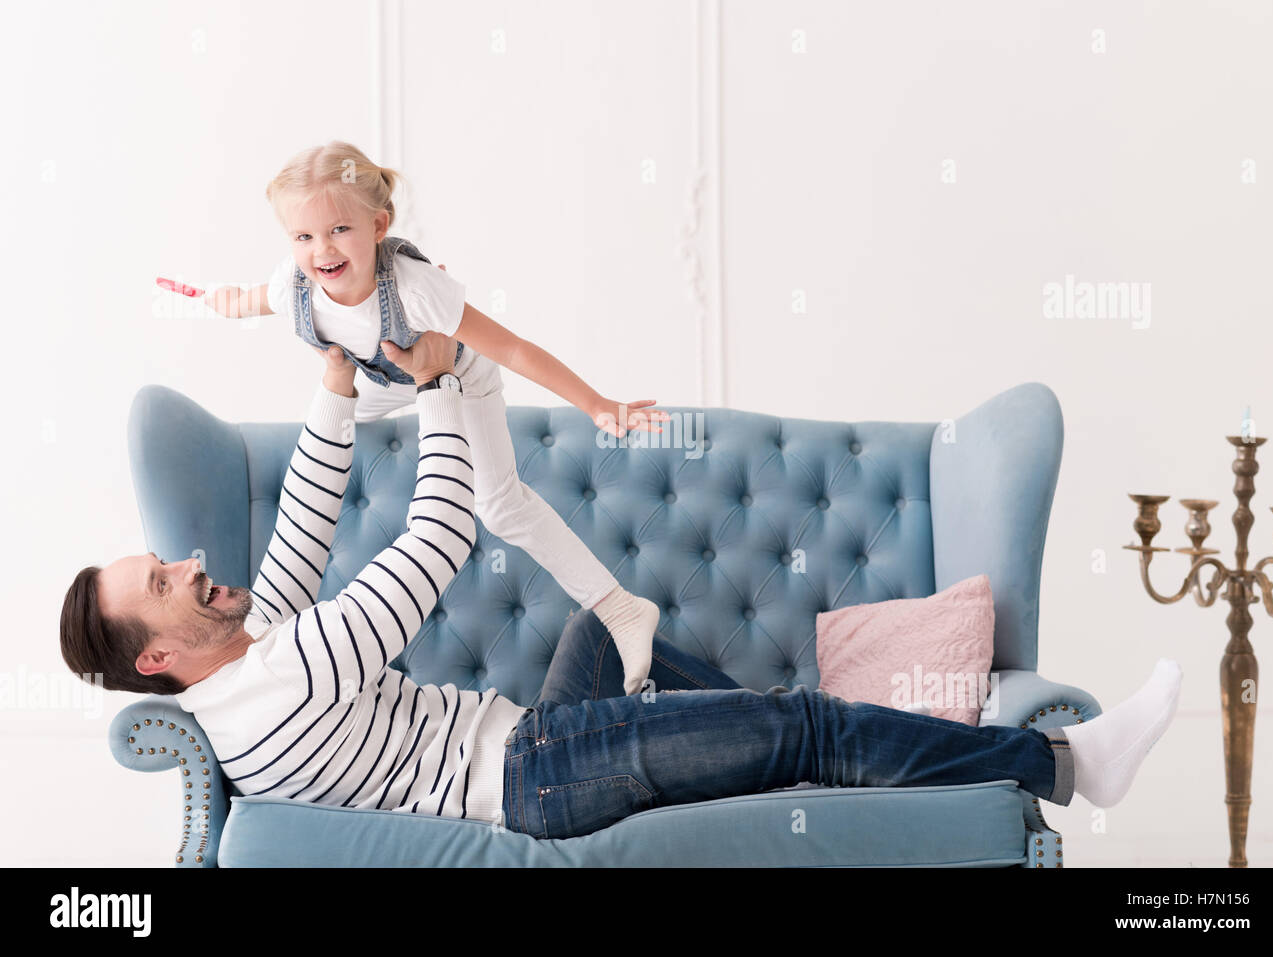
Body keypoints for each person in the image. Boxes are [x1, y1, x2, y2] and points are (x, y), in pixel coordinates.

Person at [60, 331, 1181, 841]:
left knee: (617, 618)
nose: (198, 568)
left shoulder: (245, 672)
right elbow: (442, 531)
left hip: (531, 733)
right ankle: (1064, 762)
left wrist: (334, 381)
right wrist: (445, 386)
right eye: (166, 582)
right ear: (155, 655)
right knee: (800, 728)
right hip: (539, 783)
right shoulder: (291, 675)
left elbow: (302, 524)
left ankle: (780, 746)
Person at [159, 140, 666, 697]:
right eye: (303, 236)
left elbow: (514, 350)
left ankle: (621, 609)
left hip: (456, 379)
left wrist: (597, 404)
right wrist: (205, 298)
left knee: (499, 506)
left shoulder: (416, 290)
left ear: (378, 225)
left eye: (338, 230)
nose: (320, 249)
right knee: (326, 433)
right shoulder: (296, 285)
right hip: (381, 382)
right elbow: (250, 299)